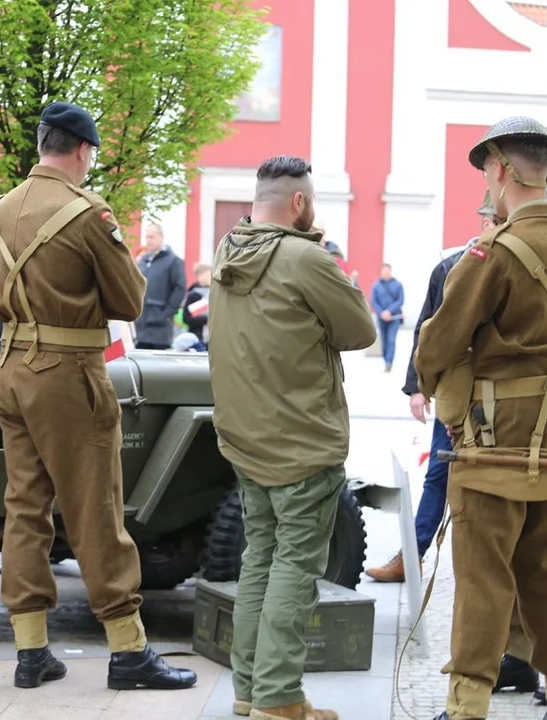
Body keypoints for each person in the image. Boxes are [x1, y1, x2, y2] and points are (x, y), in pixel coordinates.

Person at [0, 100, 195, 691]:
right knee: (96, 508)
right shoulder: (86, 212)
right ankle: (128, 653)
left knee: (25, 507)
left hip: (12, 366)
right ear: (82, 150)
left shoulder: (3, 207)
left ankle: (31, 652)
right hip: (68, 372)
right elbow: (130, 300)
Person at [209, 155, 376, 720]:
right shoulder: (308, 259)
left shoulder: (227, 252)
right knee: (295, 569)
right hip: (302, 440)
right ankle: (279, 699)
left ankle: (249, 691)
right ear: (300, 203)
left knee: (259, 560)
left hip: (245, 438)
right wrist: (318, 254)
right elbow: (360, 330)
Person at [415, 116, 547, 720]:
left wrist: (433, 382)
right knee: (546, 578)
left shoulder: (491, 252)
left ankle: (468, 706)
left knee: (483, 579)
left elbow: (436, 346)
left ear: (499, 169)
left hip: (495, 444)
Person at [368, 194, 497, 583]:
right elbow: (427, 331)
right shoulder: (453, 266)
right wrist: (417, 387)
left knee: (497, 479)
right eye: (489, 218)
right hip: (460, 395)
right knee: (439, 473)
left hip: (506, 395)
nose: (492, 224)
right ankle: (413, 554)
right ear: (483, 221)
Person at [133, 222, 186, 350]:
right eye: (146, 237)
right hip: (140, 326)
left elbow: (179, 289)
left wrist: (165, 314)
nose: (148, 240)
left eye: (152, 237)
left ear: (161, 237)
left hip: (160, 329)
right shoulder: (143, 262)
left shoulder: (173, 261)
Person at [371, 264, 405, 372]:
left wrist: (389, 311)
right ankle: (385, 359)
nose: (386, 273)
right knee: (384, 341)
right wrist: (381, 313)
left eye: (388, 271)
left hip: (394, 317)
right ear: (381, 272)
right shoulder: (376, 285)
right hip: (381, 318)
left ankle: (389, 362)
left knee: (391, 340)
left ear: (391, 271)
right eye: (384, 271)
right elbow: (373, 301)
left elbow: (400, 300)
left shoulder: (397, 284)